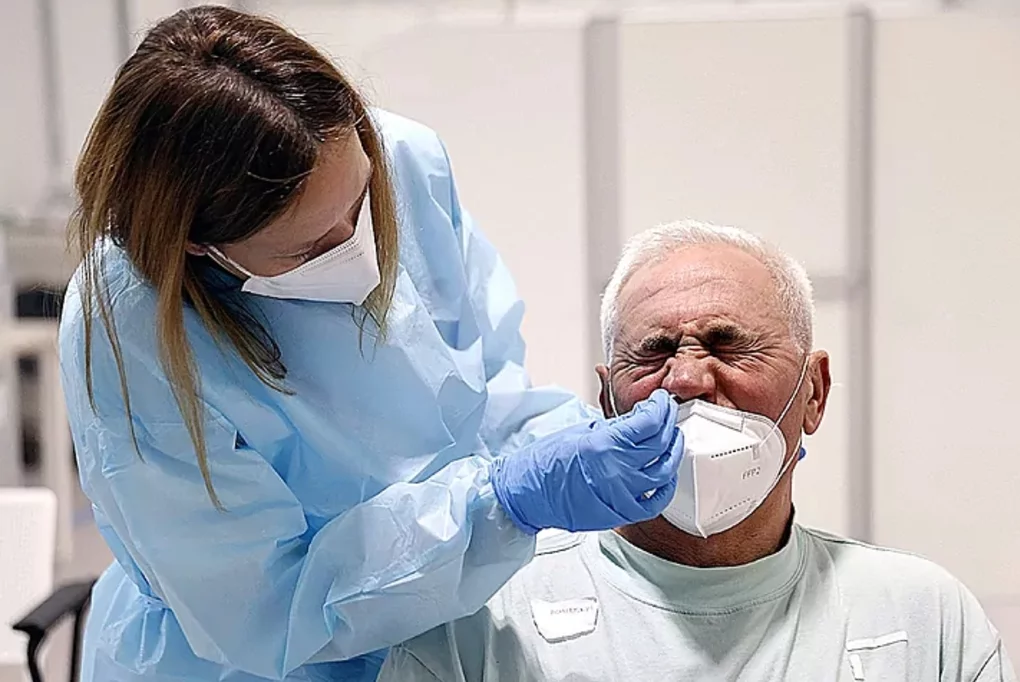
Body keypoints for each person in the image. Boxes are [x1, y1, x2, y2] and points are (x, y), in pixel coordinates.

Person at [58, 7, 684, 682]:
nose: (359, 250)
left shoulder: (402, 159)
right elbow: (265, 609)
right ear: (197, 243)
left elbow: (486, 391)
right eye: (310, 246)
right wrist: (499, 505)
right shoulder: (126, 332)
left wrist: (583, 446)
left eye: (361, 205)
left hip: (448, 623)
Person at [378, 220, 1015, 682]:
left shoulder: (920, 615)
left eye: (727, 344)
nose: (686, 380)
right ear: (606, 401)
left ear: (814, 392)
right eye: (654, 351)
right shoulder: (484, 618)